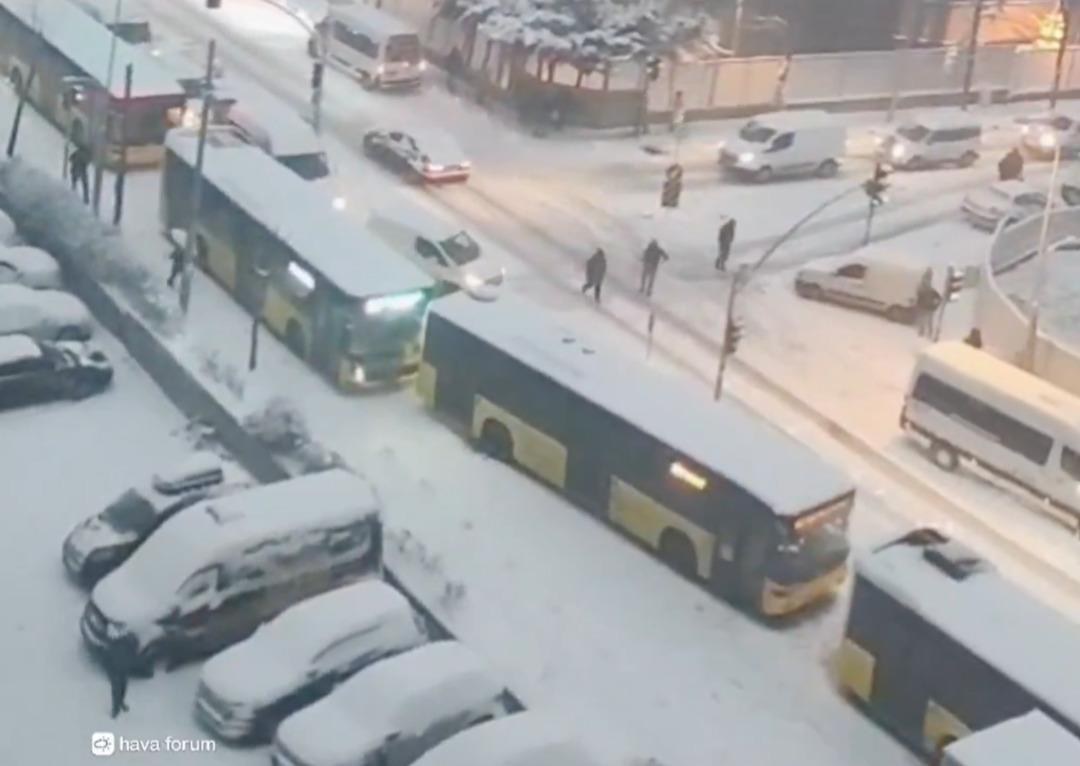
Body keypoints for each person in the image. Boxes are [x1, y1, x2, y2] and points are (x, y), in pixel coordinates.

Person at [103, 634, 137, 718]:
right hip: (115, 673)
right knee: (116, 691)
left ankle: (121, 703)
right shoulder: (113, 646)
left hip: (124, 671)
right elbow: (107, 661)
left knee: (123, 689)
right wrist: (110, 672)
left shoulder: (129, 647)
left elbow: (132, 658)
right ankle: (115, 709)